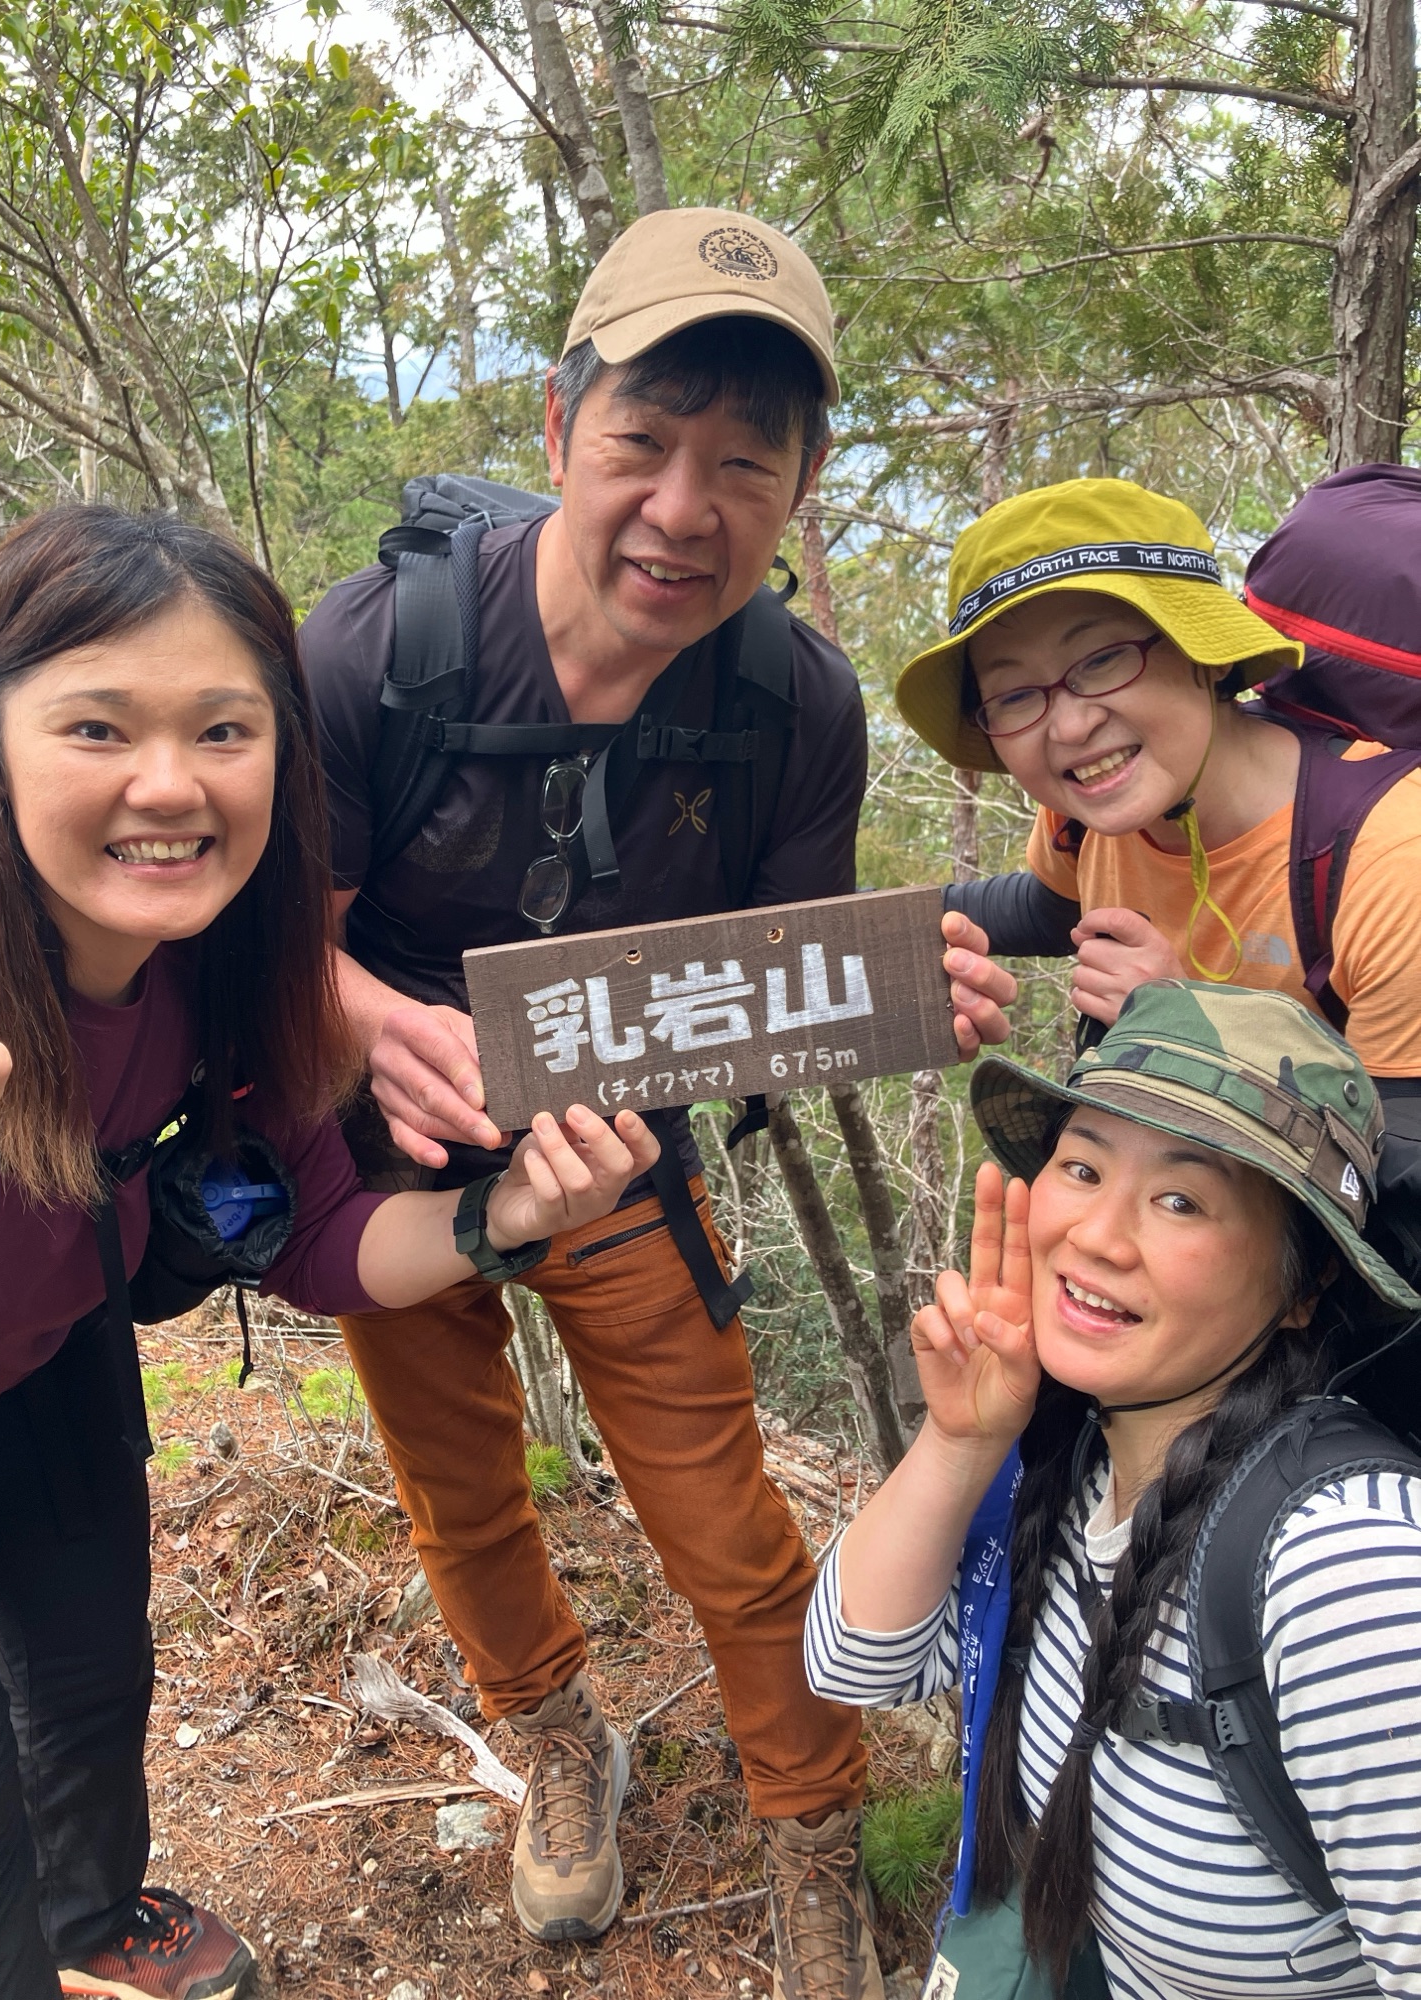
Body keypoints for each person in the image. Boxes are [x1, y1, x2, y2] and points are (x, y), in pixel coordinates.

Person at [300, 204, 1011, 1995]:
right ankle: (556, 1740)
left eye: (746, 464)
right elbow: (267, 942)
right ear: (560, 430)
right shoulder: (384, 651)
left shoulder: (792, 705)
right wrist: (373, 1017)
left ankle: (812, 1826)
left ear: (800, 489)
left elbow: (762, 996)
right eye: (643, 442)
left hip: (619, 1155)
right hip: (391, 1165)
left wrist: (888, 991)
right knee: (461, 1490)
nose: (685, 509)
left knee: (723, 1520)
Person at [0, 505, 655, 2000]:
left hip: (39, 1358)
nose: (169, 783)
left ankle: (89, 1925)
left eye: (223, 730)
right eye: (97, 727)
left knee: (88, 1677)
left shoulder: (228, 968)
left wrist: (506, 1220)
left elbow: (317, 1236)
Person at [806, 980, 1421, 1996]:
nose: (1095, 1234)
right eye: (1083, 1167)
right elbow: (851, 1664)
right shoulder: (1073, 1453)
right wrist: (960, 1441)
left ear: (1306, 1284)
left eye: (1181, 1199)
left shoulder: (1345, 1569)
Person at [896, 476, 1421, 1271]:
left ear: (1203, 651)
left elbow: (1396, 1199)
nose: (1070, 726)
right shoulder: (1090, 811)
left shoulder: (1388, 856)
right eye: (1015, 695)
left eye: (1103, 659)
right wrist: (898, 930)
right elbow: (1049, 906)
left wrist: (1190, 1028)